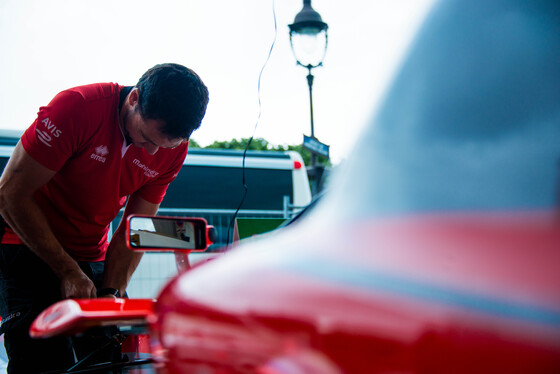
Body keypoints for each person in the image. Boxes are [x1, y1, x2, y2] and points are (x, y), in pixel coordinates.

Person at [0, 63, 209, 373]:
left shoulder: (173, 149)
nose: (152, 153)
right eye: (145, 139)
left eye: (166, 145)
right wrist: (67, 271)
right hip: (25, 243)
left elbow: (133, 229)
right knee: (44, 361)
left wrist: (111, 293)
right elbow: (10, 194)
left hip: (91, 253)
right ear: (134, 99)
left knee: (110, 358)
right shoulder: (77, 109)